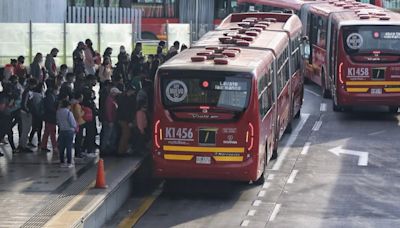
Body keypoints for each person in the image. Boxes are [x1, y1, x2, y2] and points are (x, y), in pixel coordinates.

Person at [19, 78, 38, 153]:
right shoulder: (27, 92)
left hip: (26, 112)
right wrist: (28, 111)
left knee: (26, 130)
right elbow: (24, 104)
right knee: (25, 130)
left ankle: (22, 144)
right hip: (26, 113)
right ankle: (23, 146)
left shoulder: (28, 91)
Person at [116, 85, 136, 155]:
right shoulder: (125, 99)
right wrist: (129, 121)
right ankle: (121, 151)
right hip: (124, 119)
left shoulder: (123, 98)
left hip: (123, 118)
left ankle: (123, 150)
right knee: (125, 135)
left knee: (126, 134)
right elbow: (126, 111)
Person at [56, 99, 77, 168]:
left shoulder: (58, 112)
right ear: (68, 105)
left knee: (62, 147)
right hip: (69, 131)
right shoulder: (68, 113)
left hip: (62, 130)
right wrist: (75, 127)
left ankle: (62, 161)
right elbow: (72, 122)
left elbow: (58, 121)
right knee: (69, 146)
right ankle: (69, 162)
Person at [101, 87, 121, 154]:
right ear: (113, 93)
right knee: (107, 135)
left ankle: (111, 148)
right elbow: (108, 111)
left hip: (112, 120)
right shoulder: (109, 100)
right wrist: (110, 121)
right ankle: (103, 149)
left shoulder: (113, 99)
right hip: (109, 121)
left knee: (113, 135)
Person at [40, 85, 58, 153]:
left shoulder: (50, 97)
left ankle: (43, 145)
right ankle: (55, 147)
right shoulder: (50, 98)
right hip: (51, 117)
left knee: (47, 132)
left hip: (48, 117)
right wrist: (56, 110)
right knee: (52, 132)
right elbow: (50, 108)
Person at [28, 83, 44, 148]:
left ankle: (31, 140)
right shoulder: (39, 95)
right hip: (38, 113)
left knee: (34, 128)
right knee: (38, 128)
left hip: (34, 113)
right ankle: (39, 141)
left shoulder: (33, 94)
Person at [71, 92, 86, 158]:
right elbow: (78, 115)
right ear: (79, 97)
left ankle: (78, 152)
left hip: (75, 122)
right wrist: (83, 112)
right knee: (79, 139)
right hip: (79, 123)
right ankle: (78, 153)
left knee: (78, 138)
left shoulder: (72, 104)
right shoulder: (76, 105)